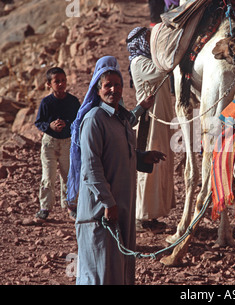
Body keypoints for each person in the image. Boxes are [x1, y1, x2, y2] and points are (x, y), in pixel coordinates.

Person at [67, 56, 166, 285]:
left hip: (120, 208)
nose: (113, 89)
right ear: (98, 89)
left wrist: (143, 157)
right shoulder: (94, 120)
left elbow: (120, 151)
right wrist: (108, 203)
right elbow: (91, 167)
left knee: (118, 269)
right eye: (108, 85)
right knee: (99, 272)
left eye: (118, 85)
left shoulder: (120, 118)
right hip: (100, 211)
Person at [127, 27, 175, 232]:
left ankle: (152, 214)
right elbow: (163, 69)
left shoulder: (146, 61)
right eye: (148, 38)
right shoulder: (139, 63)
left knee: (159, 166)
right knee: (148, 167)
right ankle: (142, 216)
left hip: (160, 121)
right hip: (149, 122)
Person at [34, 67, 80, 220]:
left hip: (67, 143)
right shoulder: (46, 102)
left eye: (63, 80)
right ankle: (45, 208)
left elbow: (78, 120)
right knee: (48, 176)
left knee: (69, 175)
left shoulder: (73, 101)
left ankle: (71, 206)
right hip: (50, 143)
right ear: (49, 84)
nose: (61, 84)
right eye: (56, 81)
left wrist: (66, 124)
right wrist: (50, 126)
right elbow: (39, 122)